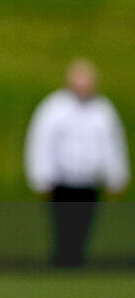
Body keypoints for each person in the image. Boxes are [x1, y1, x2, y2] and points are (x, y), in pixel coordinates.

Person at [24, 59, 129, 267]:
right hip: (62, 180)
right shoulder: (54, 109)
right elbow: (41, 143)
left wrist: (116, 176)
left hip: (89, 180)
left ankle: (77, 260)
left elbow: (112, 144)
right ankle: (62, 260)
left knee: (84, 223)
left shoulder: (102, 111)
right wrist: (41, 175)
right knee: (63, 223)